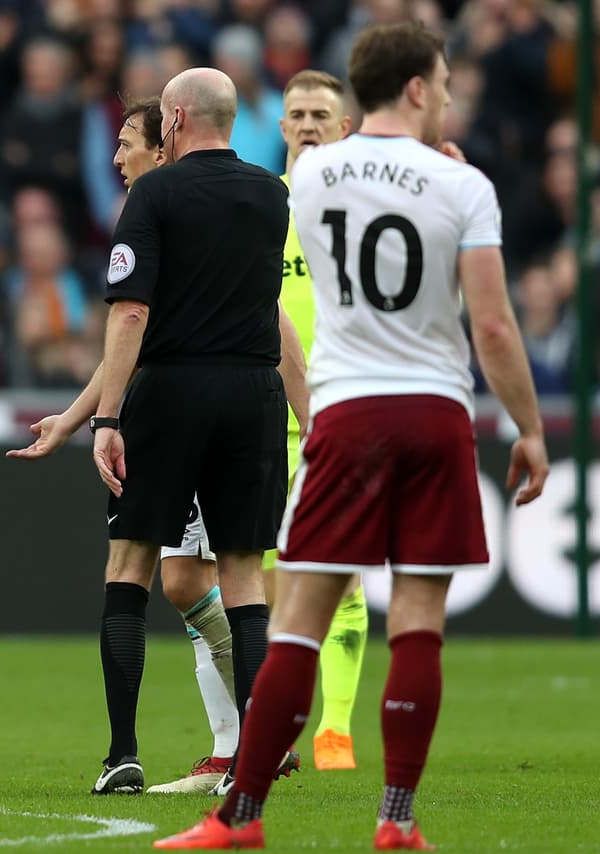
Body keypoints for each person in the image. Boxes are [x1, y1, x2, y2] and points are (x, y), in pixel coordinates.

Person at [153, 23, 549, 850]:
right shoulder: (459, 182)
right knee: (417, 616)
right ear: (414, 88)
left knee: (298, 616)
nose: (446, 96)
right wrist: (531, 429)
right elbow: (498, 330)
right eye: (440, 82)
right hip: (436, 411)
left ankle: (241, 815)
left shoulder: (309, 176)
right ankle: (397, 820)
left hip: (343, 411)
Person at [8, 96, 241, 796]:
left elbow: (133, 332)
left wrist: (97, 422)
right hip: (181, 410)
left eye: (126, 144)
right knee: (182, 581)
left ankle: (236, 736)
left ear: (164, 144)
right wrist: (78, 417)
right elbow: (126, 348)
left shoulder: (161, 214)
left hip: (175, 419)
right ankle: (238, 740)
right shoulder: (195, 211)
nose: (115, 158)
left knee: (159, 576)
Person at [89, 67, 293, 799]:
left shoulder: (155, 192)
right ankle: (253, 758)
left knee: (130, 567)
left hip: (172, 391)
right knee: (242, 574)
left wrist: (108, 417)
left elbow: (131, 313)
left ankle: (122, 754)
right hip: (253, 393)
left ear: (173, 120)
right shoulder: (273, 193)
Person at [265, 69, 367, 773]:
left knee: (344, 578)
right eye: (295, 112)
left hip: (337, 414)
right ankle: (285, 726)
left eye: (319, 113)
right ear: (281, 128)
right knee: (267, 583)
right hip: (261, 419)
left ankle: (335, 728)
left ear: (344, 128)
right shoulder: (257, 202)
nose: (306, 122)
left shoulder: (365, 212)